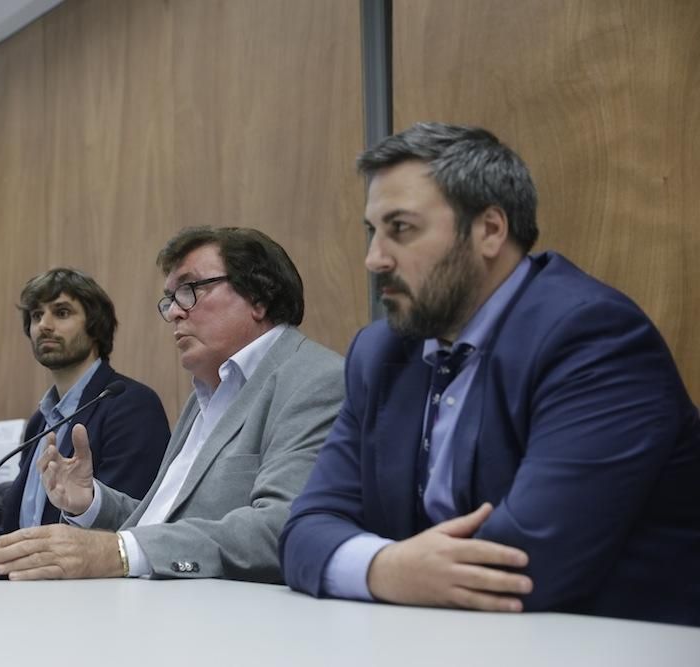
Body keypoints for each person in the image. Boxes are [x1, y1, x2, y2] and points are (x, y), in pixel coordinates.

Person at [279, 122, 700, 626]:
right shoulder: (381, 351)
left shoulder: (594, 338)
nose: (375, 259)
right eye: (373, 232)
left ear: (490, 230)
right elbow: (304, 529)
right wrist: (384, 568)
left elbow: (528, 565)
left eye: (401, 229)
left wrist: (370, 563)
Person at [0, 227, 344, 582]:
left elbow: (283, 527)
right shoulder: (205, 395)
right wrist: (90, 501)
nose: (173, 312)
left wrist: (118, 552)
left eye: (189, 290)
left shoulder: (315, 380)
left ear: (258, 298)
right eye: (170, 299)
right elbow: (162, 520)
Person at [0, 268, 169, 533]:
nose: (44, 325)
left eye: (62, 312)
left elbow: (128, 521)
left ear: (95, 326)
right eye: (36, 315)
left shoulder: (132, 407)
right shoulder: (39, 422)